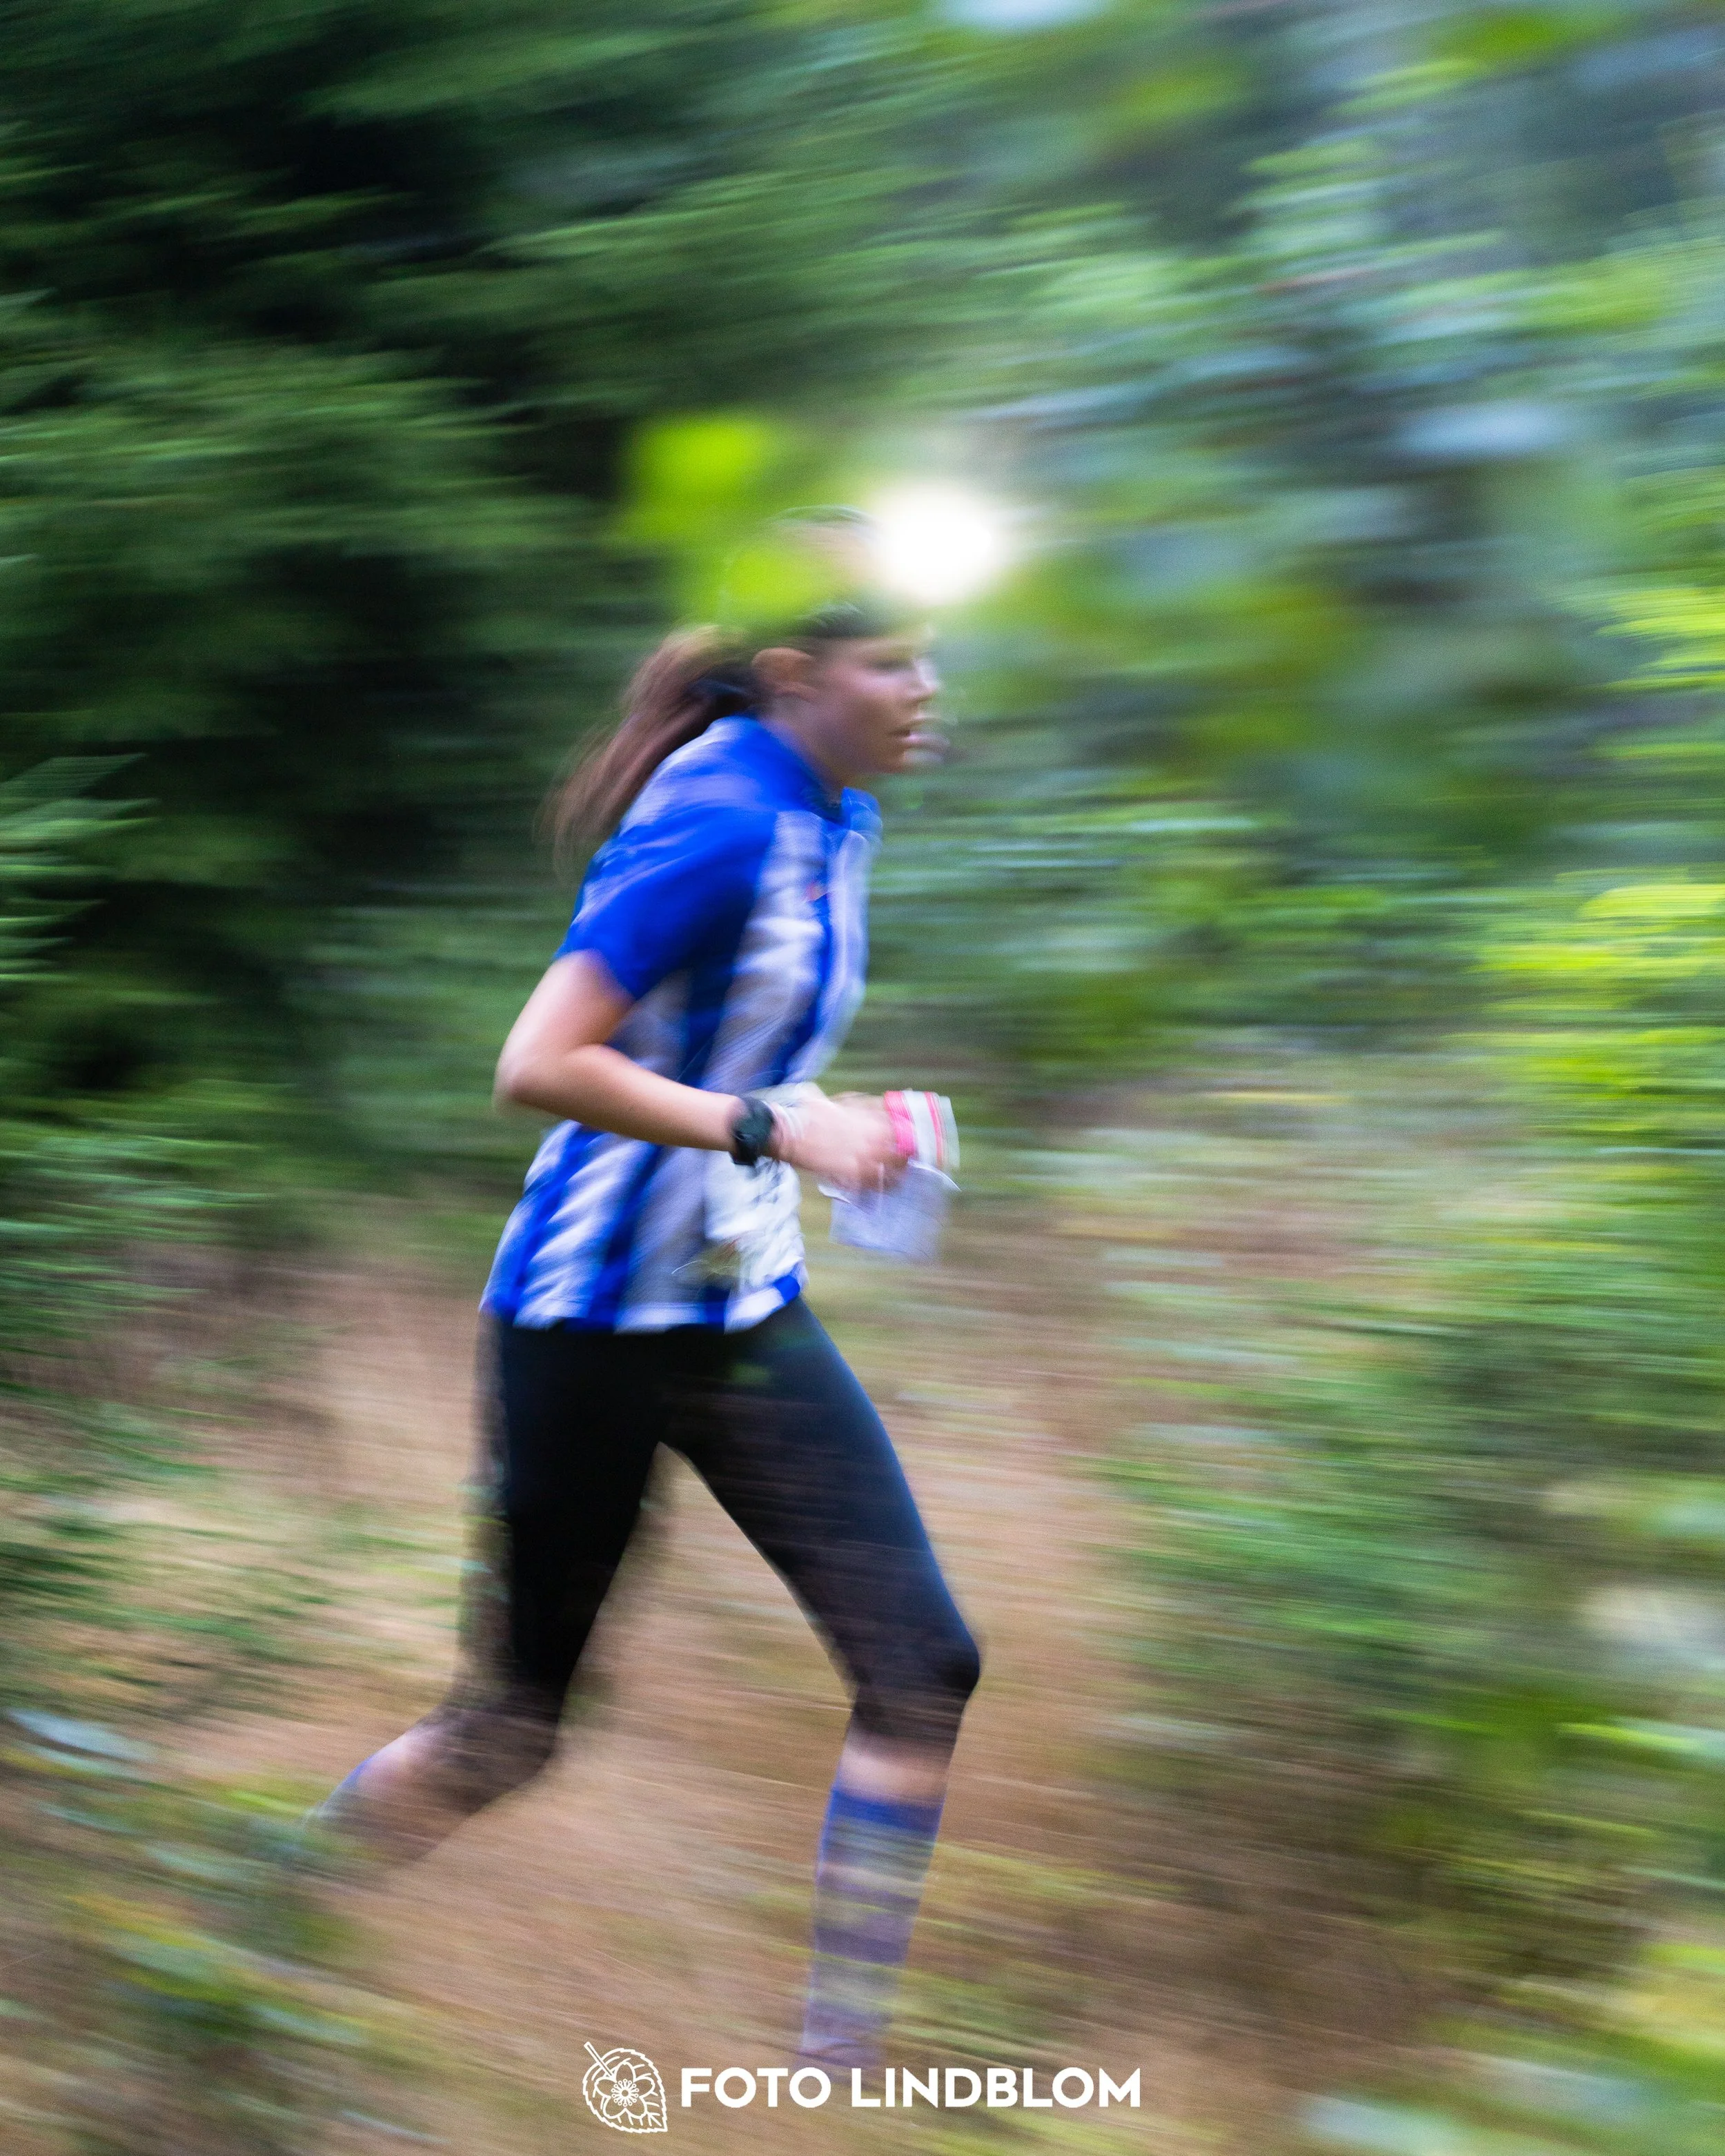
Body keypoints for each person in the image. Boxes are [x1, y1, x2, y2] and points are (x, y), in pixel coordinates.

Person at [310, 564, 983, 2073]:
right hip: (586, 1325)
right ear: (801, 672)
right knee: (507, 1732)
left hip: (735, 1314)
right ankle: (247, 1940)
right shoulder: (721, 811)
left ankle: (835, 2069)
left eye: (932, 660)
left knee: (921, 1664)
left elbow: (735, 1043)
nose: (927, 689)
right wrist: (772, 1128)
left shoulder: (834, 810)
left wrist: (845, 1129)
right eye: (896, 665)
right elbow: (536, 1061)